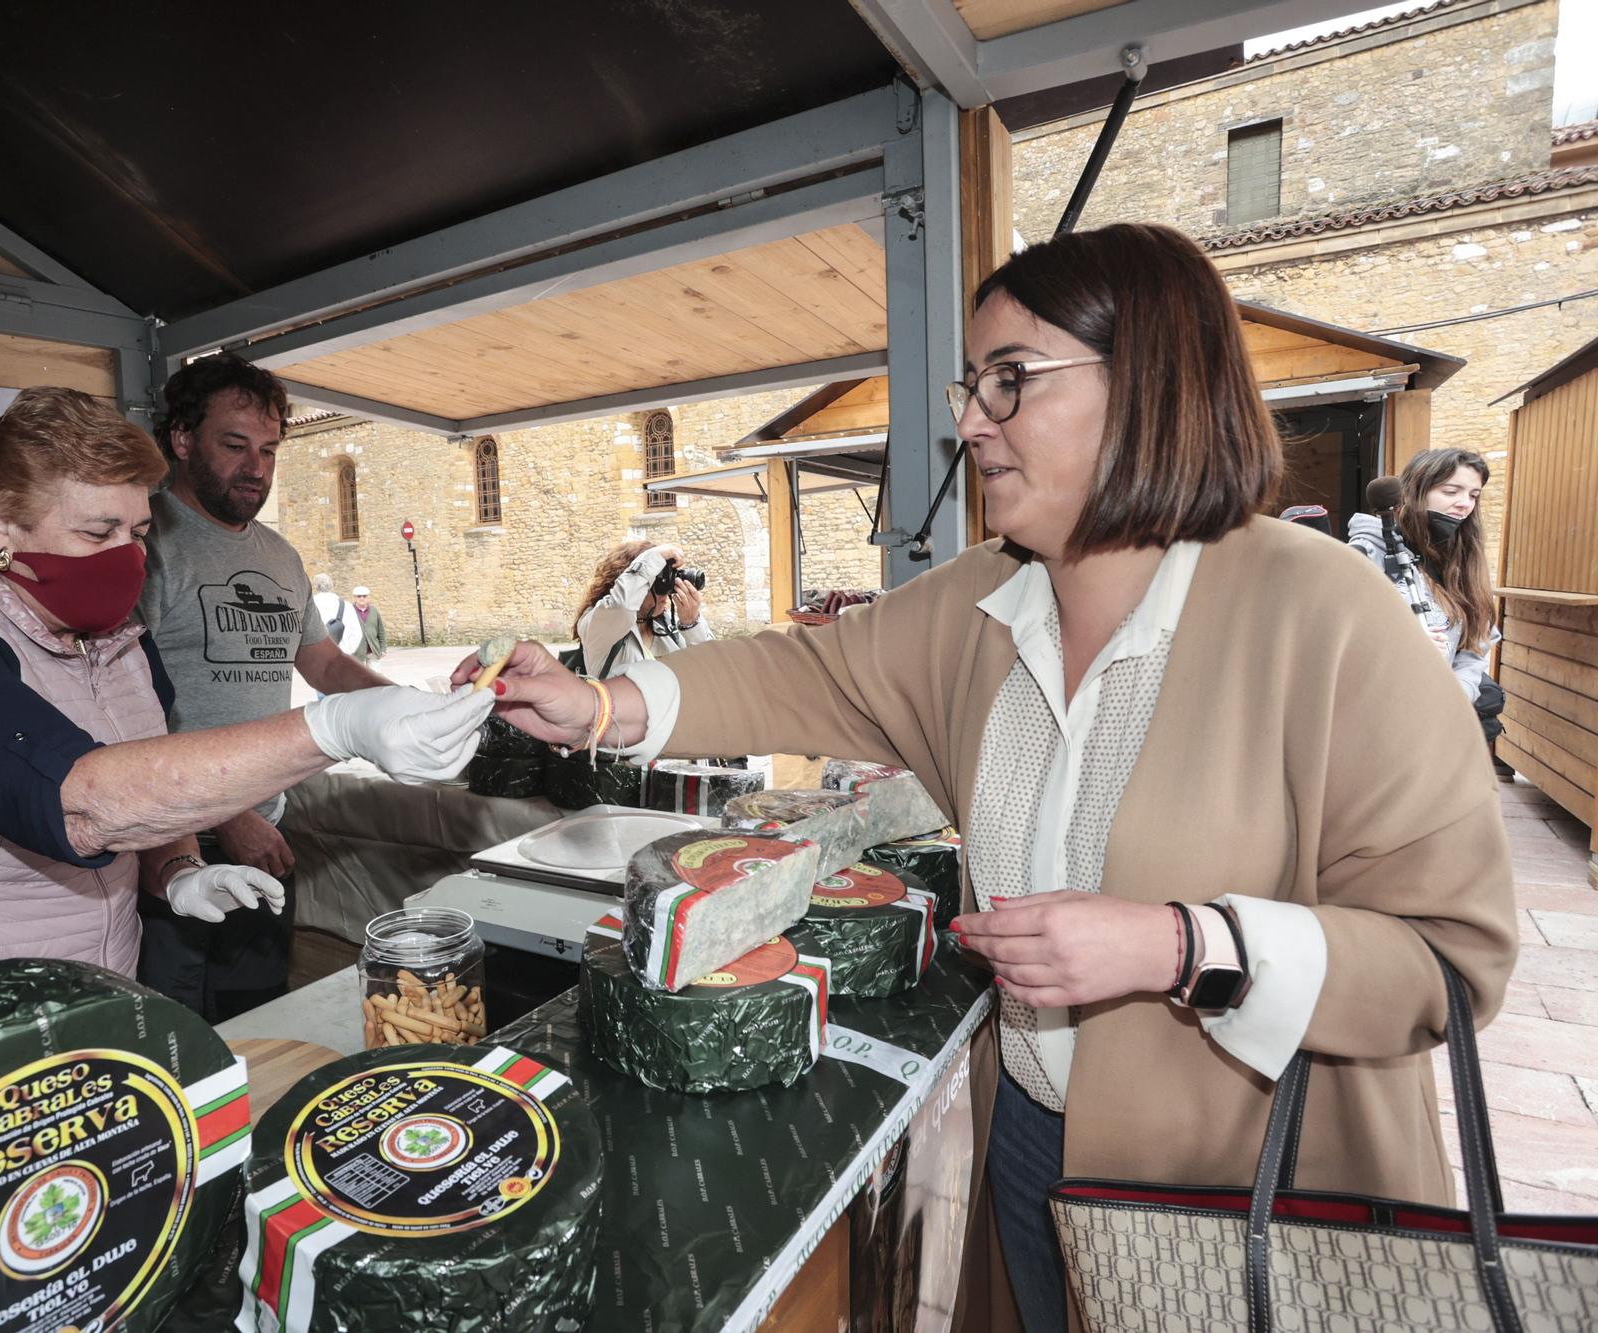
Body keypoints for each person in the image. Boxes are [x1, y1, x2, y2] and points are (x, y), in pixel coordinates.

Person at [462, 224, 1515, 1333]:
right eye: (974, 384)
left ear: (1149, 385)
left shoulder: (1324, 614)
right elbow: (798, 669)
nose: (968, 420)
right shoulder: (978, 603)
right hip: (1034, 1144)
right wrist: (596, 706)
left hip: (1256, 1193)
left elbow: (1452, 956)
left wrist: (1177, 943)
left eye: (1010, 381)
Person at [0, 387, 492, 1063]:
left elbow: (145, 769)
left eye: (139, 531)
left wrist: (178, 865)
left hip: (77, 1020)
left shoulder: (119, 641)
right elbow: (85, 798)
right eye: (98, 530)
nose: (128, 555)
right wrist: (333, 726)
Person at [139, 354, 391, 1018]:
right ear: (182, 438)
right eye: (234, 445)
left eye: (270, 450)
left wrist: (408, 708)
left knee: (260, 1021)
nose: (256, 467)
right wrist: (229, 813)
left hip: (265, 832)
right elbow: (125, 706)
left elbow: (325, 664)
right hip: (179, 843)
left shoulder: (280, 555)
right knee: (182, 1037)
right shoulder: (148, 543)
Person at [1346, 448, 1504, 747]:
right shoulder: (1367, 554)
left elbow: (1477, 645)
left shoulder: (1464, 561)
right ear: (1416, 490)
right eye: (1451, 491)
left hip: (1437, 725)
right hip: (1375, 730)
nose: (1463, 504)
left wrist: (1458, 693)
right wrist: (1398, 644)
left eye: (1473, 495)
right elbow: (1331, 639)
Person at [573, 541, 713, 677]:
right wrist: (654, 557)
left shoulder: (668, 626)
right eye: (656, 581)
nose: (664, 591)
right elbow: (622, 607)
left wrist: (691, 624)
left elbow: (712, 670)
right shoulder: (598, 626)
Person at [310, 572, 363, 659]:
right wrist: (347, 651)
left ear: (315, 587)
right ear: (331, 586)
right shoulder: (347, 606)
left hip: (316, 657)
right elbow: (357, 634)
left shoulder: (309, 606)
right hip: (341, 656)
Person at [350, 586, 387, 663]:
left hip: (373, 652)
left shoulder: (374, 610)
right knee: (359, 675)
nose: (362, 598)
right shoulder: (349, 611)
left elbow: (381, 631)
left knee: (374, 674)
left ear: (368, 597)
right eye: (359, 596)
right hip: (357, 654)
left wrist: (383, 648)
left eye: (364, 596)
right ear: (355, 598)